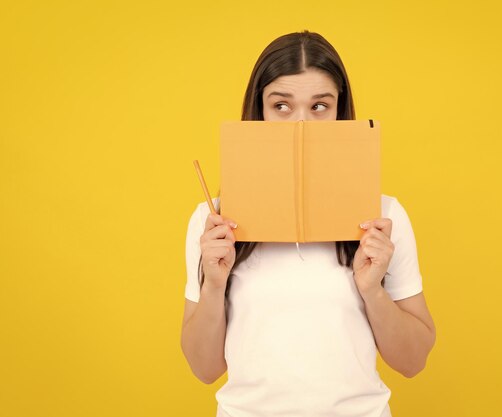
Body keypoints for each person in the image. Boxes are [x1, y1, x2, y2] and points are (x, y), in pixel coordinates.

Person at [180, 30, 436, 417]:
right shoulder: (213, 220)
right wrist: (213, 285)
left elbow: (413, 362)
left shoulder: (383, 216)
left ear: (340, 112)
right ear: (258, 111)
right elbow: (204, 369)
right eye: (281, 106)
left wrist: (373, 291)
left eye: (319, 106)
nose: (301, 123)